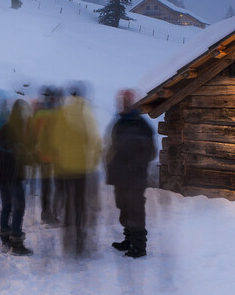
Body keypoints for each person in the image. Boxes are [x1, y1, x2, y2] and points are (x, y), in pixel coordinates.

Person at [44, 83, 102, 257]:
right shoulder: (87, 111)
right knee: (80, 204)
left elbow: (54, 140)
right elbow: (94, 139)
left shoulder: (63, 111)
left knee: (69, 204)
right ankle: (80, 242)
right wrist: (93, 160)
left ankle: (68, 241)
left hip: (65, 167)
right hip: (83, 168)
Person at [105, 89, 157, 258]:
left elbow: (150, 152)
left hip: (135, 178)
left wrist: (133, 165)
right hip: (120, 177)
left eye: (127, 101)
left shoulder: (142, 125)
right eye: (122, 101)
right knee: (124, 208)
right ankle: (129, 239)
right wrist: (110, 164)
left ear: (133, 103)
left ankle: (139, 246)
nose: (125, 104)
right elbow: (112, 147)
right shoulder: (119, 123)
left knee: (135, 210)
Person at [0, 98, 34, 256]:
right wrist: (30, 159)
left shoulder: (6, 128)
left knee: (7, 206)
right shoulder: (14, 130)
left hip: (2, 174)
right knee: (18, 207)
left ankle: (5, 236)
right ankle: (15, 242)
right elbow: (17, 152)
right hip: (12, 176)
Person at [28, 87, 63, 225]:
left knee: (49, 187)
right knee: (53, 187)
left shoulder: (40, 113)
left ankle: (49, 213)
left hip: (48, 156)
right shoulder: (48, 114)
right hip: (49, 156)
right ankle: (50, 214)